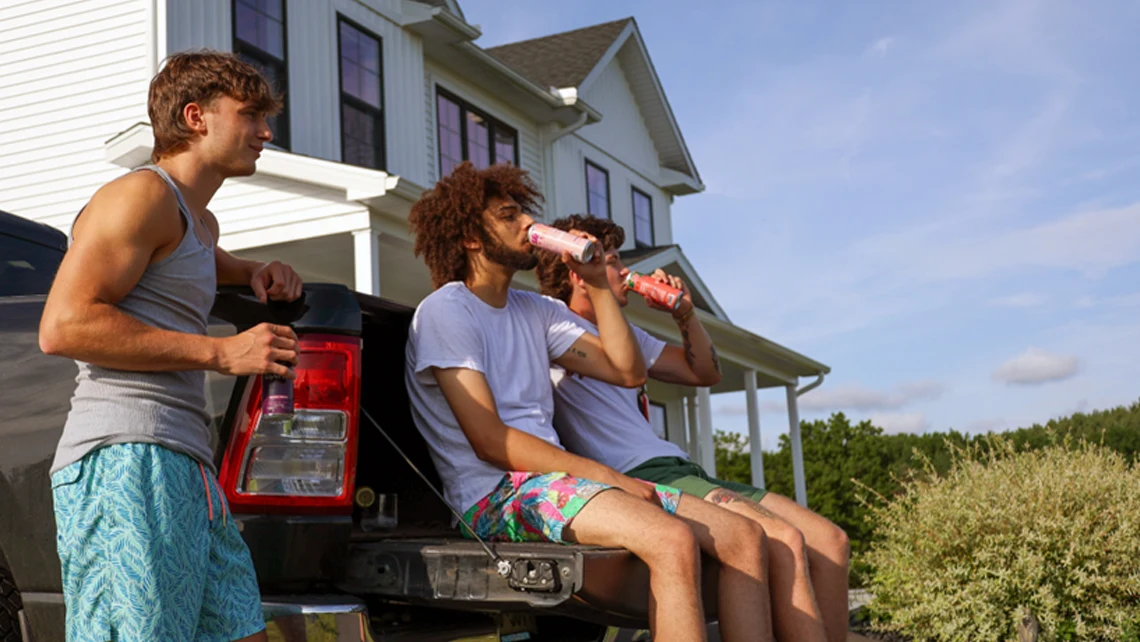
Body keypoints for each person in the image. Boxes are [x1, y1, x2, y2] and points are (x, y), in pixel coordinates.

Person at [405, 162, 781, 641]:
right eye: (508, 216)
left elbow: (627, 370)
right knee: (672, 539)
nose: (527, 225)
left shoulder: (536, 310)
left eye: (525, 213)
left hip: (560, 483)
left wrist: (600, 283)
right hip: (496, 494)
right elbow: (489, 440)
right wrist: (605, 475)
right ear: (471, 238)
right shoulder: (446, 310)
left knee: (742, 536)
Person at [39, 51, 304, 642]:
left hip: (189, 466)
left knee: (243, 633)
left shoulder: (197, 220)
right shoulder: (139, 196)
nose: (266, 132)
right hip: (124, 457)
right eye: (251, 114)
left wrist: (258, 270)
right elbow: (64, 325)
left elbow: (200, 262)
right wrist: (220, 352)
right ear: (195, 116)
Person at [537, 214, 852, 642]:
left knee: (829, 541)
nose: (625, 270)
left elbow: (704, 372)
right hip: (638, 474)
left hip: (681, 469)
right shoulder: (551, 321)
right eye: (612, 260)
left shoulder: (624, 334)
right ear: (578, 269)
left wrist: (685, 314)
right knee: (784, 540)